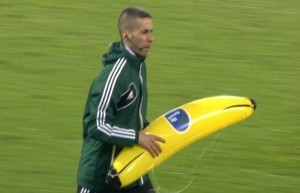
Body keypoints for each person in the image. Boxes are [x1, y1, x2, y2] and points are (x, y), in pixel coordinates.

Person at [77, 6, 165, 193]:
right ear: (126, 35)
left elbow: (129, 113)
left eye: (151, 32)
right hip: (101, 179)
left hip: (132, 170)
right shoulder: (113, 75)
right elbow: (96, 125)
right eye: (144, 32)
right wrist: (135, 137)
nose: (151, 38)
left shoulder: (139, 65)